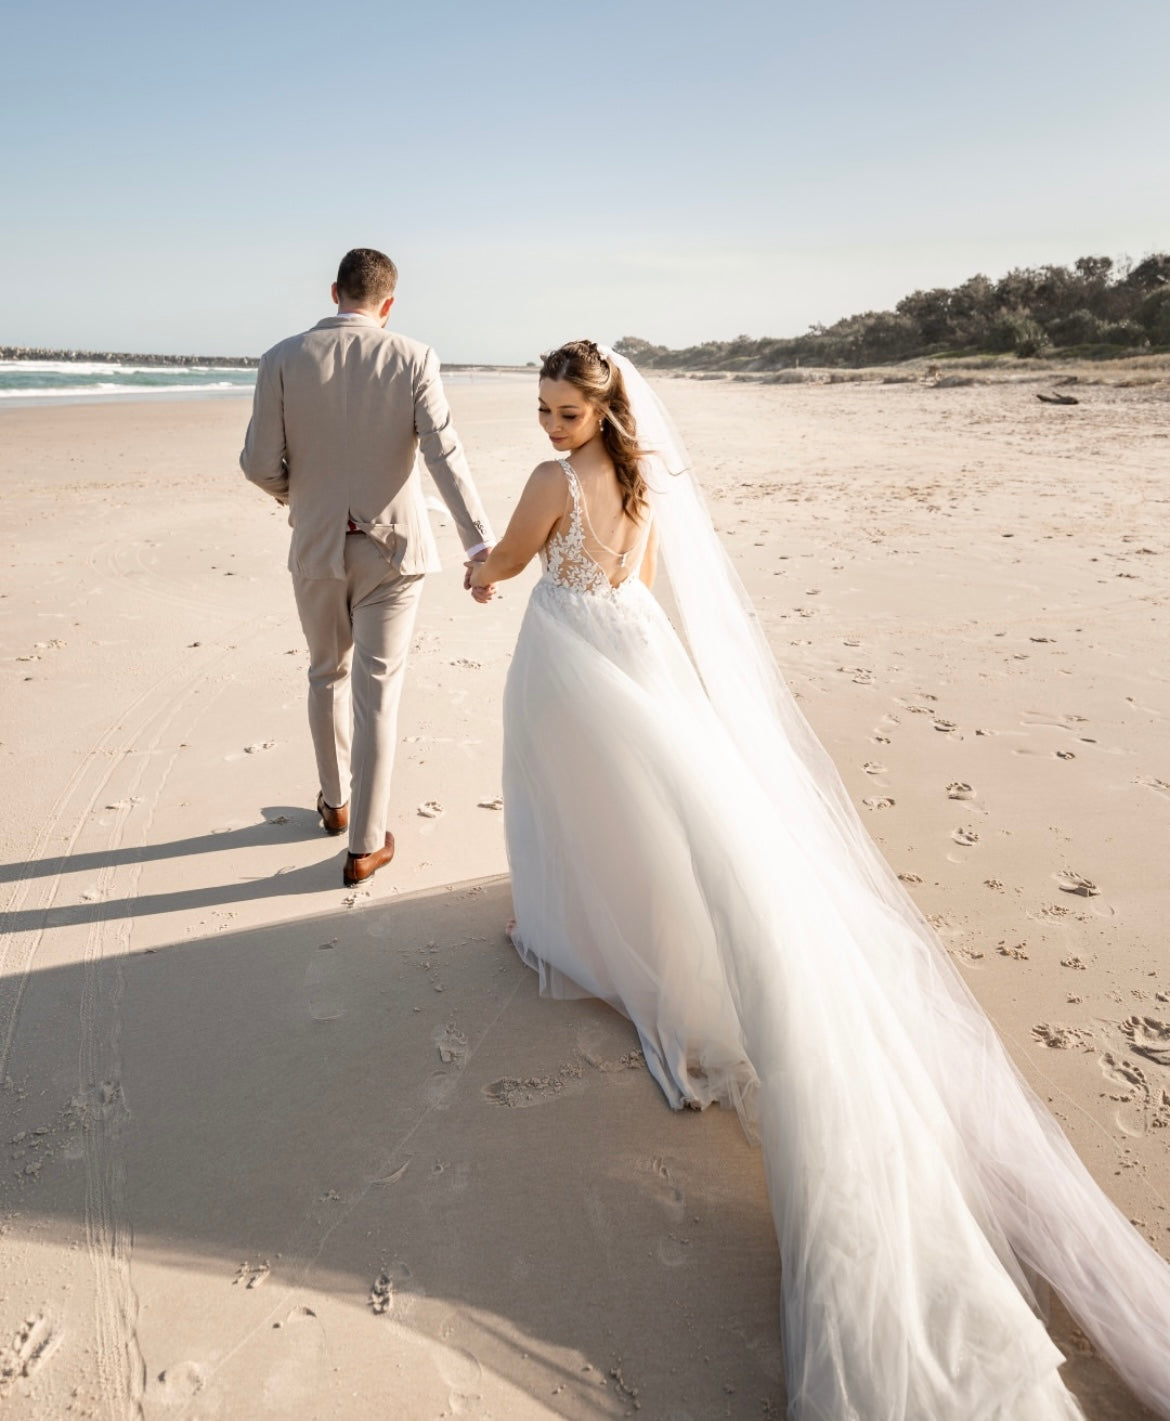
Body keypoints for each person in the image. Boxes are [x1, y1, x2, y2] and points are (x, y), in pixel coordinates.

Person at [468, 341, 1170, 1420]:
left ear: (599, 410)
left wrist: (478, 565)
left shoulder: (551, 480)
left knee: (579, 794)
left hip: (576, 651)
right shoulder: (641, 477)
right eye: (543, 409)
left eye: (565, 411)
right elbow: (637, 581)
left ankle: (580, 931)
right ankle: (611, 932)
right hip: (633, 646)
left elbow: (517, 559)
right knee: (654, 814)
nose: (550, 426)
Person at [241, 248, 494, 885]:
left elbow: (258, 463)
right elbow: (444, 454)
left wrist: (301, 498)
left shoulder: (280, 358)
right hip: (394, 552)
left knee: (325, 674)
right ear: (389, 303)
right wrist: (477, 545)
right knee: (377, 693)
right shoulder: (414, 356)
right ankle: (364, 845)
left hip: (317, 545)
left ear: (334, 291)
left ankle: (334, 803)